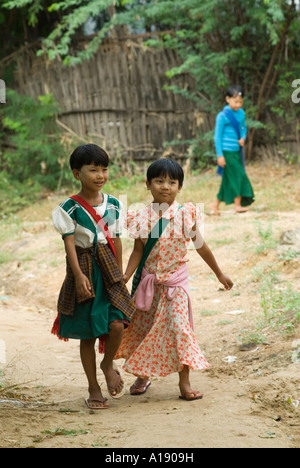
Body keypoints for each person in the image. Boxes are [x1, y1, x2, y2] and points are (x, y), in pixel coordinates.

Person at [116, 158, 233, 401]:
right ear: (147, 184)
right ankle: (142, 375)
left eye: (172, 182)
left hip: (176, 285)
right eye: (159, 181)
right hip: (149, 284)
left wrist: (219, 273)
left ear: (180, 187)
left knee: (181, 329)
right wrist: (126, 275)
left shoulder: (185, 214)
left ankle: (185, 382)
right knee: (143, 330)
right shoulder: (141, 217)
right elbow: (138, 250)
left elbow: (201, 247)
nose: (165, 186)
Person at [51, 144, 135, 410]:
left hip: (109, 271)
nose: (100, 175)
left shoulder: (113, 203)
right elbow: (69, 245)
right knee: (87, 334)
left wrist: (119, 274)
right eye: (93, 169)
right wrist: (77, 276)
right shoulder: (69, 208)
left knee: (117, 324)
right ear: (77, 173)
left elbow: (117, 240)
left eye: (104, 169)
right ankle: (93, 387)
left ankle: (107, 363)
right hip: (84, 270)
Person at [211, 85, 255, 215]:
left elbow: (243, 128)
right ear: (227, 99)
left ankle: (214, 205)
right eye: (235, 101)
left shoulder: (241, 113)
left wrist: (243, 137)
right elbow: (217, 137)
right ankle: (237, 206)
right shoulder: (222, 116)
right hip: (226, 152)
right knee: (239, 176)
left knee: (228, 179)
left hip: (237, 151)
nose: (238, 104)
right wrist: (220, 155)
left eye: (240, 102)